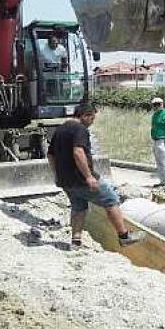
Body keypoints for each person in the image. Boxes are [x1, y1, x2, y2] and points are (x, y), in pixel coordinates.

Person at [47, 103, 144, 249]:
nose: (92, 122)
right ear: (86, 116)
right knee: (111, 200)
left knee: (79, 207)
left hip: (66, 180)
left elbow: (50, 155)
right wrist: (89, 177)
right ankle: (124, 236)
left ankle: (76, 241)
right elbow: (78, 152)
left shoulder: (60, 129)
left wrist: (57, 175)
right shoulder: (80, 129)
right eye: (92, 119)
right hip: (81, 178)